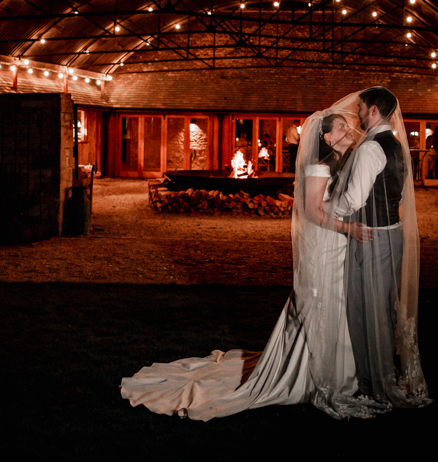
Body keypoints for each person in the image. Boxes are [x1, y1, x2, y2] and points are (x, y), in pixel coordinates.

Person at [120, 92, 418, 420]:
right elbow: (313, 212)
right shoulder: (318, 166)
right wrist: (350, 229)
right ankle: (313, 374)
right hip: (329, 242)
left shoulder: (341, 161)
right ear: (327, 136)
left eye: (350, 125)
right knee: (324, 304)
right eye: (342, 129)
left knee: (341, 307)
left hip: (340, 246)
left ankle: (346, 372)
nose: (350, 131)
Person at [333, 87, 429, 407]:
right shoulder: (399, 146)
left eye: (361, 108)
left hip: (371, 237)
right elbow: (400, 196)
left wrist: (324, 208)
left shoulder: (371, 148)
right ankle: (383, 372)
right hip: (394, 234)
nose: (358, 113)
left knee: (364, 309)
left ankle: (371, 380)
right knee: (384, 309)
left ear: (374, 111)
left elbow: (353, 200)